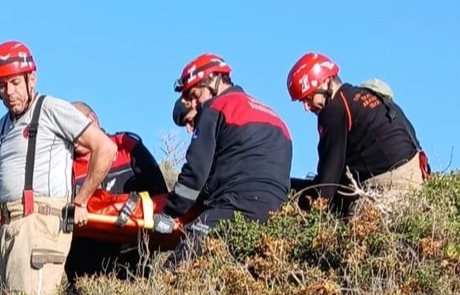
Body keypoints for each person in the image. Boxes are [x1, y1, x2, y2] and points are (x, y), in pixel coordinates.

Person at [0, 41, 117, 295]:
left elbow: (105, 148)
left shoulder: (50, 109)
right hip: (9, 228)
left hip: (41, 225)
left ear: (31, 79)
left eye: (15, 82)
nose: (9, 91)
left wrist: (80, 201)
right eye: (2, 85)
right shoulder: (3, 126)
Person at [153, 53, 293, 268]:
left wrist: (170, 213)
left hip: (235, 206)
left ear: (214, 81)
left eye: (195, 94)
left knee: (176, 274)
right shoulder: (276, 119)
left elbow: (195, 173)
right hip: (279, 217)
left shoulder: (216, 107)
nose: (194, 103)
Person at [285, 53, 429, 215]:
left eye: (309, 98)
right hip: (418, 187)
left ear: (326, 83)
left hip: (390, 194)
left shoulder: (334, 109)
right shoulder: (367, 96)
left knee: (344, 224)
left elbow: (327, 183)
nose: (307, 107)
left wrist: (297, 203)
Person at [64, 101, 168, 286]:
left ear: (92, 120)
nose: (73, 137)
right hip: (86, 262)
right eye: (68, 131)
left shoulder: (126, 148)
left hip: (131, 255)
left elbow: (160, 194)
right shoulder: (64, 164)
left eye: (76, 127)